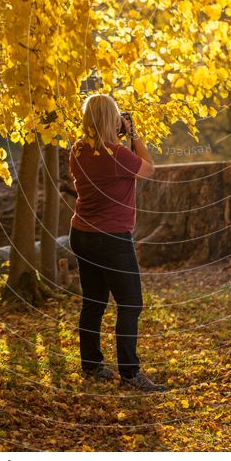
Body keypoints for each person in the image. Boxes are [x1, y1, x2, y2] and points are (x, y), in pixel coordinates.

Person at [69, 93, 166, 392]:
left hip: (82, 234)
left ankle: (92, 364)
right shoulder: (117, 154)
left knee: (94, 303)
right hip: (112, 238)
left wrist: (120, 137)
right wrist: (133, 134)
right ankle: (130, 372)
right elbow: (148, 168)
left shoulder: (78, 150)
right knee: (130, 304)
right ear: (111, 119)